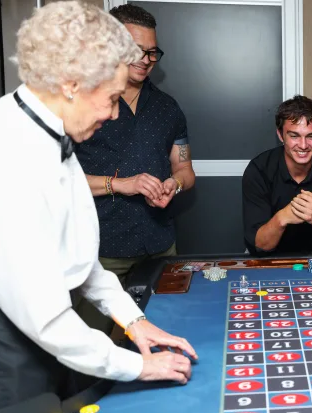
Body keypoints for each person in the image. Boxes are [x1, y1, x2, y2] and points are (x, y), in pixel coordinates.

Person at [0, 2, 197, 413]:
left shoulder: (52, 130)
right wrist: (139, 365)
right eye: (109, 97)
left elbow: (79, 259)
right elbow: (46, 320)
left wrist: (134, 321)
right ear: (71, 84)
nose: (112, 111)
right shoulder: (8, 153)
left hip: (43, 313)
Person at [75, 4, 194, 332]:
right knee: (94, 345)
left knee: (157, 335)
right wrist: (121, 184)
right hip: (103, 250)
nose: (145, 59)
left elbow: (185, 170)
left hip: (160, 244)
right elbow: (58, 181)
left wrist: (175, 184)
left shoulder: (168, 108)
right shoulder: (81, 103)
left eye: (152, 52)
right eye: (135, 50)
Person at [242, 95, 312, 254]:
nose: (303, 145)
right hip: (269, 258)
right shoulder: (259, 171)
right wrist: (281, 218)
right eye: (294, 136)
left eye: (311, 136)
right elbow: (257, 246)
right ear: (281, 136)